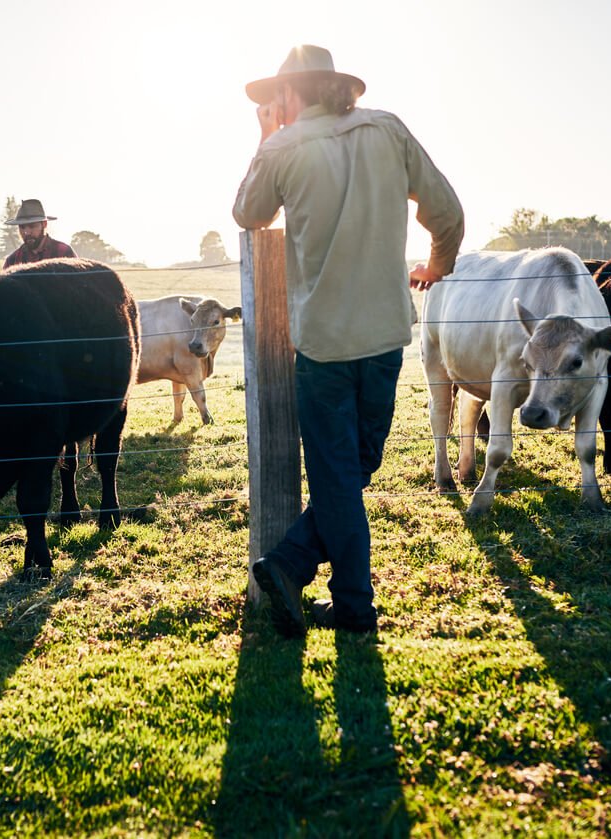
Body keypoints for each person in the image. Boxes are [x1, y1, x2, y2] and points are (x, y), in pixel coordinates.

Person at [233, 45, 464, 637]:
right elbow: (447, 209)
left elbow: (249, 214)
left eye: (274, 98)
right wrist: (438, 263)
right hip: (385, 334)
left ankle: (297, 571)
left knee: (343, 472)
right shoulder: (388, 129)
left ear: (290, 94)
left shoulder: (283, 148)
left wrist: (265, 141)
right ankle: (340, 598)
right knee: (355, 467)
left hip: (324, 346)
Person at [3, 198, 76, 268]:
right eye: (22, 227)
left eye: (32, 226)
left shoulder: (64, 252)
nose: (27, 232)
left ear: (44, 224)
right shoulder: (12, 261)